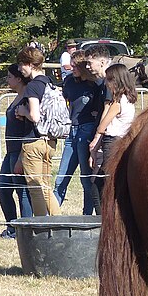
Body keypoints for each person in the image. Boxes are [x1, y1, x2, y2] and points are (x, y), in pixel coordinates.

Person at [52, 50, 105, 213]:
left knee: (85, 179)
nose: (71, 68)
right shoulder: (68, 81)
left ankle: (87, 215)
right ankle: (51, 215)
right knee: (61, 178)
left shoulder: (96, 84)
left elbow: (102, 106)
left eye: (75, 66)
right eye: (71, 65)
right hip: (71, 131)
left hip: (87, 130)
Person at [12, 45, 61, 215]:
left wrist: (22, 111)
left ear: (31, 64)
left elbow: (34, 116)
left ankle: (42, 225)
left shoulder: (33, 86)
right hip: (49, 141)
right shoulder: (48, 82)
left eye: (21, 65)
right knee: (46, 187)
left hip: (33, 141)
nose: (19, 69)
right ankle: (58, 221)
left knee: (35, 187)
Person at [89, 64, 138, 210]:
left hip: (112, 142)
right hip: (118, 140)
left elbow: (102, 126)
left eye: (109, 80)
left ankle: (101, 216)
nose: (106, 84)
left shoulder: (117, 102)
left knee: (99, 184)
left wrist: (98, 131)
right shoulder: (129, 100)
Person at [0, 65, 33, 236]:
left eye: (10, 76)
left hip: (19, 152)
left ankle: (24, 230)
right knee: (3, 189)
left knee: (22, 191)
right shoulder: (18, 97)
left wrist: (20, 157)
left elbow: (27, 130)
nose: (7, 79)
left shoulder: (26, 99)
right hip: (10, 152)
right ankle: (12, 226)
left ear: (19, 79)